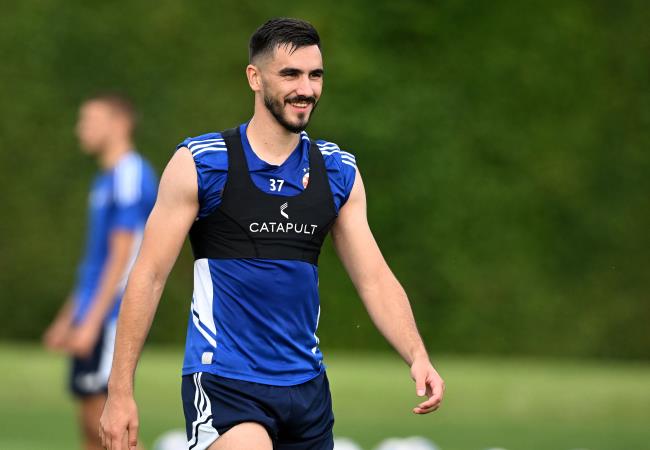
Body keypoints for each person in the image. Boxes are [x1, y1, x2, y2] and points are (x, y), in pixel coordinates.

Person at [99, 18, 444, 450]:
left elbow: (373, 278)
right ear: (255, 77)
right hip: (225, 380)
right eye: (290, 74)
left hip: (307, 389)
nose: (306, 88)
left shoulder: (336, 171)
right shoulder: (203, 164)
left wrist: (417, 355)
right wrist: (119, 392)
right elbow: (148, 275)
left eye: (315, 75)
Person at [43, 93, 158, 450]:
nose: (81, 129)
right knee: (90, 428)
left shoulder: (129, 174)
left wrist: (92, 323)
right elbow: (96, 262)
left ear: (120, 124)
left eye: (90, 121)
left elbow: (124, 258)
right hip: (93, 313)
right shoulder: (105, 179)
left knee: (110, 427)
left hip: (111, 317)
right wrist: (69, 317)